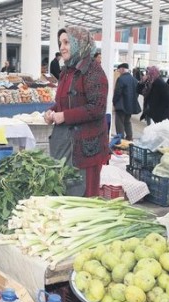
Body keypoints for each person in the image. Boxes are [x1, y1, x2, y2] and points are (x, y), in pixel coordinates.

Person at [44, 26, 109, 197]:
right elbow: (63, 103)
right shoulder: (67, 71)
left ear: (79, 43)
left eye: (67, 42)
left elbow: (97, 108)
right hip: (66, 143)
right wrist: (51, 112)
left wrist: (64, 116)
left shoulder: (93, 71)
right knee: (65, 190)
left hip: (86, 148)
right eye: (60, 43)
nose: (62, 47)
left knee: (83, 196)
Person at [112, 63, 141, 141]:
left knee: (119, 122)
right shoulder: (134, 80)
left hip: (121, 105)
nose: (118, 71)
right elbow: (137, 92)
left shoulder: (121, 79)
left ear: (122, 69)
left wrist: (114, 102)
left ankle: (120, 139)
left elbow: (117, 92)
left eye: (119, 70)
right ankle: (129, 137)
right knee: (127, 121)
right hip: (130, 105)